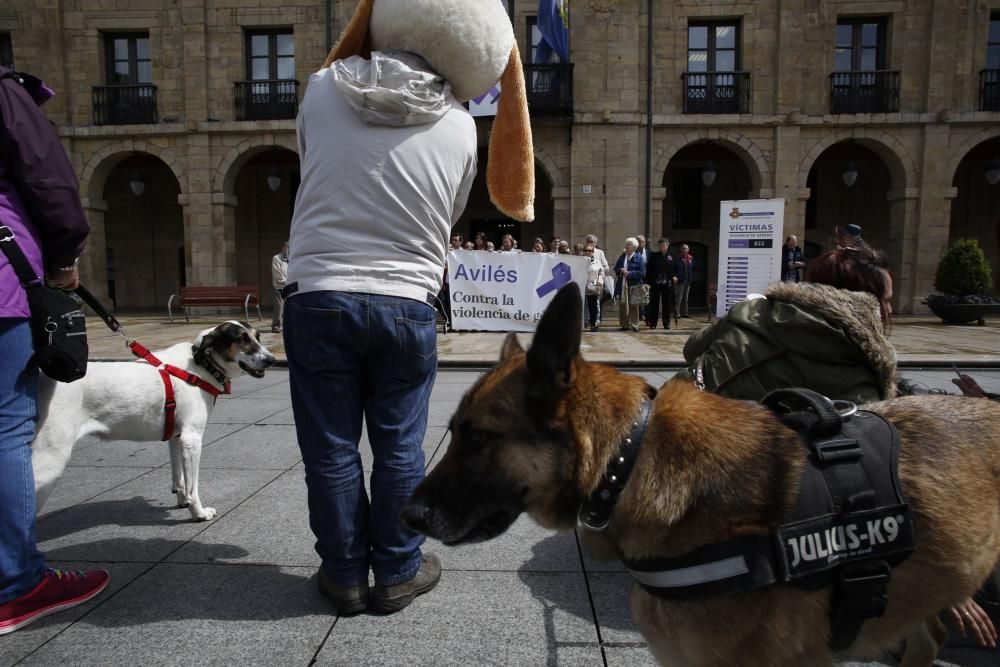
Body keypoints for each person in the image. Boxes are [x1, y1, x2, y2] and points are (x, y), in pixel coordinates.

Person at [283, 0, 534, 616]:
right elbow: (447, 216)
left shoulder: (320, 92)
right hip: (406, 301)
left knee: (331, 447)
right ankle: (397, 570)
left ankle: (343, 575)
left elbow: (308, 158)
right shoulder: (459, 126)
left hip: (318, 292)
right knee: (400, 446)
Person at [682, 240, 997, 648]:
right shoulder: (854, 361)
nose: (888, 310)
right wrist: (946, 565)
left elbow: (692, 347)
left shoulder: (756, 310)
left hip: (690, 479)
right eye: (884, 299)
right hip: (749, 515)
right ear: (859, 301)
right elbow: (882, 470)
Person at [0, 67, 108, 635]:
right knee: (5, 429)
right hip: (0, 288)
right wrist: (63, 257)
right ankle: (16, 586)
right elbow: (49, 181)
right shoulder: (3, 93)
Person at [645, 238, 677, 330]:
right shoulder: (654, 256)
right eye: (660, 246)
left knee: (666, 304)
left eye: (663, 245)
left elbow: (676, 269)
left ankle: (666, 323)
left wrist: (676, 276)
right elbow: (649, 270)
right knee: (654, 304)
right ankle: (653, 323)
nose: (662, 247)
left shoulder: (672, 256)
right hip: (655, 283)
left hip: (667, 284)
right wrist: (648, 282)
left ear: (667, 246)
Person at [613, 237, 645, 332]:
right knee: (623, 304)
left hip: (634, 284)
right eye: (626, 244)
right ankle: (624, 325)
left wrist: (630, 273)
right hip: (622, 284)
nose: (626, 246)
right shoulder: (622, 257)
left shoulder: (639, 258)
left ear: (634, 247)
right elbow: (616, 268)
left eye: (629, 244)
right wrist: (621, 270)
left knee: (634, 305)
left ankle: (635, 324)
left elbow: (642, 273)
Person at [583, 244, 604, 332]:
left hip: (593, 286)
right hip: (582, 286)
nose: (588, 252)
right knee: (582, 306)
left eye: (590, 251)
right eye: (586, 250)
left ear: (593, 252)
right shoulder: (579, 260)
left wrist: (599, 281)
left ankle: (593, 324)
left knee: (593, 306)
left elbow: (601, 272)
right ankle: (581, 323)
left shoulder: (597, 262)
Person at [270, 241, 289, 333]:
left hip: (290, 287)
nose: (287, 249)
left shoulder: (292, 258)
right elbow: (277, 274)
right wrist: (287, 281)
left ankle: (288, 325)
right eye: (285, 247)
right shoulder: (276, 258)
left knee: (290, 307)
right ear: (282, 248)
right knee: (279, 306)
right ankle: (275, 326)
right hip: (280, 286)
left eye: (288, 247)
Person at [675, 243, 694, 318]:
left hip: (688, 281)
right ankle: (677, 313)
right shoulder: (677, 258)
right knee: (679, 298)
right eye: (683, 248)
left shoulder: (690, 258)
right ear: (681, 250)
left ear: (688, 250)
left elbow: (691, 270)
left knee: (686, 298)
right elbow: (675, 269)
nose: (684, 250)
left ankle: (685, 313)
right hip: (680, 281)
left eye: (686, 248)